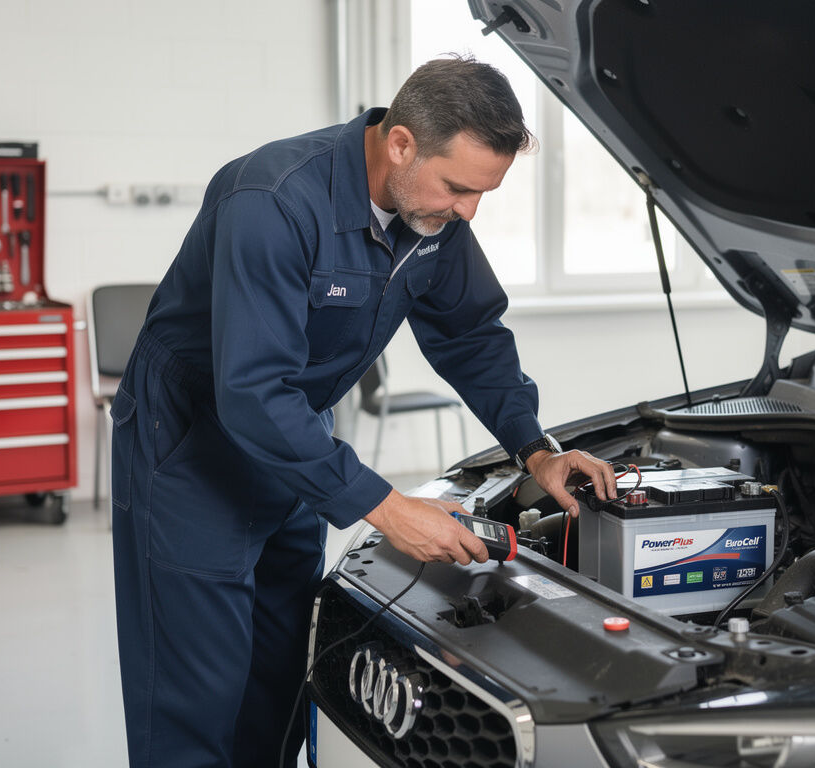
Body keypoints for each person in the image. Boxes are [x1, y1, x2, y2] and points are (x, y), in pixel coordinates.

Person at [109, 55, 616, 767]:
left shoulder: (429, 216)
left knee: (280, 665)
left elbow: (471, 334)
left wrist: (537, 448)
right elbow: (250, 391)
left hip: (298, 441)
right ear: (401, 142)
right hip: (192, 442)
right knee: (196, 687)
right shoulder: (273, 200)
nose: (468, 212)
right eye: (459, 188)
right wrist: (384, 505)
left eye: (483, 194)